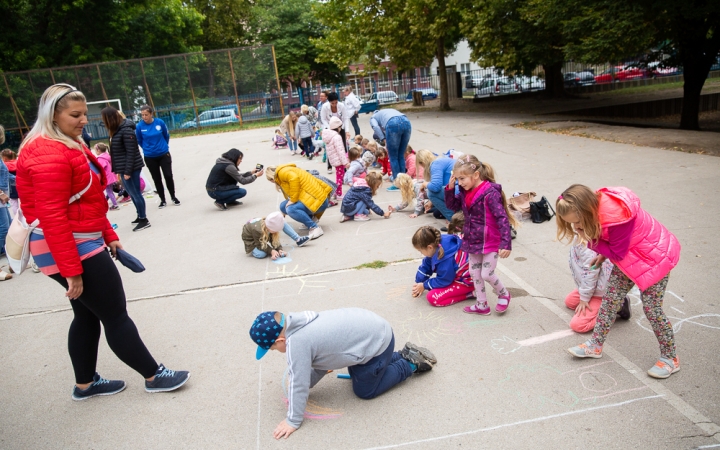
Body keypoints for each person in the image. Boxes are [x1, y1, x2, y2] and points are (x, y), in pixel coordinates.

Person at [16, 84, 190, 400]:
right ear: (53, 114)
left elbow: (87, 200)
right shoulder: (47, 151)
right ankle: (154, 375)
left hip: (76, 240)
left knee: (86, 314)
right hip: (69, 244)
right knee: (114, 314)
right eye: (75, 114)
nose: (84, 119)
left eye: (85, 113)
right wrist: (71, 270)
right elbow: (53, 214)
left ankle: (86, 384)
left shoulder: (63, 142)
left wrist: (109, 236)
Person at [249, 308, 437, 439]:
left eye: (272, 349)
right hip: (378, 333)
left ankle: (409, 363)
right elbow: (320, 365)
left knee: (365, 391)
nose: (275, 351)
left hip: (377, 345)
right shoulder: (299, 322)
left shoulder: (296, 344)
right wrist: (308, 382)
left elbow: (299, 382)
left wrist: (293, 420)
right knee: (358, 373)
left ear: (281, 341)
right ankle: (400, 355)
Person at [557, 184, 681, 379]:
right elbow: (616, 245)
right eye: (572, 224)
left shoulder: (617, 219)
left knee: (652, 309)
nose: (576, 228)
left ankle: (670, 358)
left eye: (578, 223)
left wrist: (592, 243)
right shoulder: (594, 209)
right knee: (610, 300)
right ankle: (595, 345)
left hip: (655, 260)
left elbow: (617, 250)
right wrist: (603, 255)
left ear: (586, 211)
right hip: (631, 258)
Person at [445, 155, 516, 315]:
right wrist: (450, 188)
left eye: (462, 178)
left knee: (486, 273)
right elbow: (452, 206)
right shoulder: (465, 190)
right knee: (474, 273)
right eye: (457, 179)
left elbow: (501, 217)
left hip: (490, 241)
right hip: (473, 239)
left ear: (476, 175)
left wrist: (506, 243)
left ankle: (504, 294)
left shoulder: (490, 193)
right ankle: (482, 304)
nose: (460, 183)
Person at [564, 234, 630, 333]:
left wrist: (585, 298)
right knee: (570, 302)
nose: (575, 226)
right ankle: (604, 302)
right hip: (592, 286)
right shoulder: (579, 235)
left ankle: (617, 305)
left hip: (601, 291)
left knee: (578, 325)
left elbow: (590, 272)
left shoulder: (588, 246)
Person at [101, 106, 150, 232]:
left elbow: (131, 152)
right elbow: (117, 152)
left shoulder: (126, 130)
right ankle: (139, 215)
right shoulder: (116, 130)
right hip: (123, 168)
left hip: (131, 168)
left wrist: (127, 171)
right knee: (132, 194)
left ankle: (144, 219)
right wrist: (118, 170)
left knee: (136, 193)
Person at [411, 226, 474, 307]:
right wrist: (419, 281)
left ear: (430, 247)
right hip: (455, 274)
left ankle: (470, 293)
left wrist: (425, 285)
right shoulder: (437, 242)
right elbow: (427, 262)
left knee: (433, 298)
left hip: (467, 281)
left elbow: (444, 280)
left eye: (420, 250)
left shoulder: (445, 259)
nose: (421, 253)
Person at [266, 164, 332, 240]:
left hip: (319, 202)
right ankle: (310, 219)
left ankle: (314, 227)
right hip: (314, 199)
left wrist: (292, 200)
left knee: (290, 209)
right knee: (283, 206)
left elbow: (294, 179)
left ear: (272, 178)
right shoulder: (284, 171)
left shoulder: (282, 173)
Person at [135, 105, 179, 208]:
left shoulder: (159, 123)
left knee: (168, 176)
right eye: (142, 115)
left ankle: (173, 196)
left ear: (151, 114)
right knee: (157, 178)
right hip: (150, 156)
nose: (144, 117)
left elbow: (166, 135)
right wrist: (147, 149)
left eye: (146, 114)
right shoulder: (139, 126)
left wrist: (163, 146)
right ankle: (162, 200)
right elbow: (140, 140)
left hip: (163, 154)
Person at [369, 109, 412, 182]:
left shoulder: (373, 118)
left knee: (393, 156)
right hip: (406, 121)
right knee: (401, 154)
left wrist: (383, 139)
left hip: (392, 124)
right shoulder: (385, 112)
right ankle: (404, 181)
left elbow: (376, 127)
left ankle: (397, 181)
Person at [416, 149, 455, 222]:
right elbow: (443, 185)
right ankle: (455, 214)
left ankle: (454, 220)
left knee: (431, 193)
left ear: (422, 162)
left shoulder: (435, 164)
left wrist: (425, 184)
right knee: (437, 213)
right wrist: (431, 202)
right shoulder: (441, 160)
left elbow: (436, 187)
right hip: (456, 189)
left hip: (457, 191)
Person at [322, 117, 349, 198]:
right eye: (340, 127)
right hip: (339, 161)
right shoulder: (337, 137)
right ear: (337, 127)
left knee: (338, 176)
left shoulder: (329, 136)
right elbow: (340, 151)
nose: (341, 128)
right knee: (339, 178)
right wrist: (345, 162)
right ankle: (339, 193)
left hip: (334, 160)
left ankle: (336, 192)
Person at [92, 143, 118, 210]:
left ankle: (115, 205)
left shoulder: (101, 159)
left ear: (98, 150)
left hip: (107, 178)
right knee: (110, 191)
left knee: (109, 191)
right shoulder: (107, 156)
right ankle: (112, 202)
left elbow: (100, 168)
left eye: (95, 150)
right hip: (111, 176)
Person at [1, 148, 19, 217]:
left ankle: (16, 217)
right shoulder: (18, 162)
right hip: (20, 185)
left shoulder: (4, 166)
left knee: (14, 203)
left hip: (11, 188)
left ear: (4, 158)